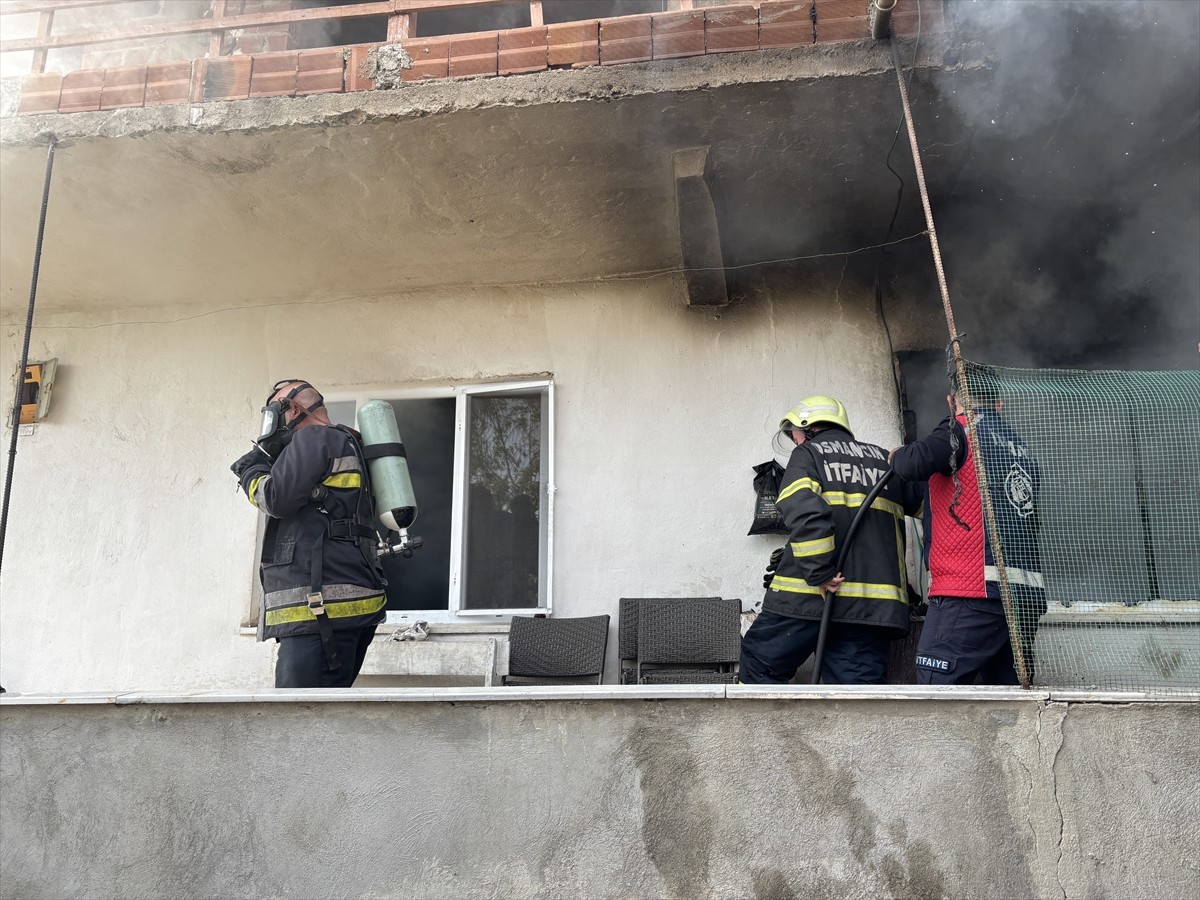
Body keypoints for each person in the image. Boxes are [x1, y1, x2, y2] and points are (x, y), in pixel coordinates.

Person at [740, 396, 923, 684]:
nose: (796, 441)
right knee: (854, 699)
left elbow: (806, 511)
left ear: (808, 429)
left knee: (759, 668)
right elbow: (932, 506)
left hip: (808, 600)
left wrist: (821, 573)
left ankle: (771, 731)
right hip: (870, 608)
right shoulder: (886, 461)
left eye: (795, 435)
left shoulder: (810, 454)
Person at [230, 380, 387, 688]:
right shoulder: (349, 443)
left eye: (274, 415)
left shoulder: (312, 438)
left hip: (318, 613)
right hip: (352, 612)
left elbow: (276, 499)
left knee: (295, 725)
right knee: (323, 722)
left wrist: (252, 472)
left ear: (294, 409)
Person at [888, 378, 1045, 685]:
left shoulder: (960, 429)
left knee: (937, 688)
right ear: (999, 405)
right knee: (1007, 693)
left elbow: (913, 462)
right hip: (1022, 596)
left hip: (971, 591)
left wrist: (896, 456)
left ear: (952, 402)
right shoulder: (1020, 448)